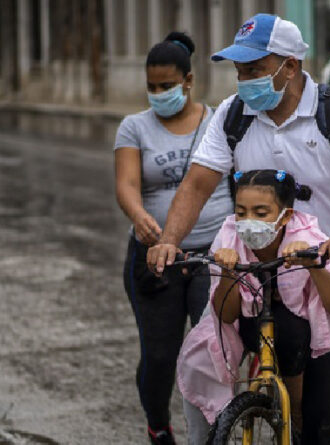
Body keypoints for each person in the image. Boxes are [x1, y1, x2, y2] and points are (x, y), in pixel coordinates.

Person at [148, 14, 330, 445]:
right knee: (200, 364)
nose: (244, 80)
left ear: (290, 65)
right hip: (253, 275)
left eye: (254, 70)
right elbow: (197, 182)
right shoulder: (234, 114)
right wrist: (168, 241)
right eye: (239, 71)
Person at [177, 169, 330, 444]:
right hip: (248, 325)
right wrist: (228, 270)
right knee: (199, 363)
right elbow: (226, 315)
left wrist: (313, 266)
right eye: (241, 212)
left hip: (307, 341)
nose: (248, 221)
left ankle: (298, 414)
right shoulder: (229, 236)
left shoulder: (308, 236)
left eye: (261, 213)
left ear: (285, 216)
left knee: (319, 425)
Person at [114, 32, 233, 445]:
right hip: (155, 258)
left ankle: (215, 429)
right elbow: (126, 184)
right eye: (152, 86)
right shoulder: (134, 127)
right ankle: (159, 426)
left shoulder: (219, 121)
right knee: (161, 355)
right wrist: (139, 214)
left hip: (213, 256)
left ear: (188, 81)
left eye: (167, 85)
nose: (159, 93)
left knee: (211, 353)